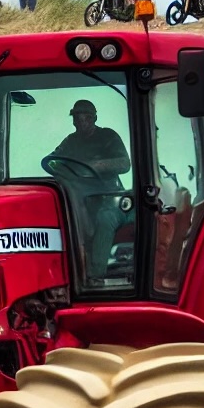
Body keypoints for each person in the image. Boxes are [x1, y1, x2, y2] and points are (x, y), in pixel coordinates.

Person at [48, 99, 131, 279]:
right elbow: (53, 160)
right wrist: (61, 169)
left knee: (105, 218)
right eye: (77, 117)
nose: (81, 121)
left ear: (94, 118)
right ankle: (59, 276)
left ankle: (95, 277)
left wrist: (95, 165)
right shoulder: (70, 141)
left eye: (86, 117)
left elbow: (125, 164)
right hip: (79, 199)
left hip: (109, 199)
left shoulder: (108, 136)